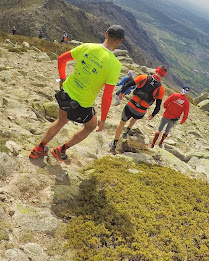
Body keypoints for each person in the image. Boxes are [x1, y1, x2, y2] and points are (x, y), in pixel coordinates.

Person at [29, 25, 124, 161]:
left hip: (66, 92)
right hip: (83, 104)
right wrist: (103, 119)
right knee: (90, 126)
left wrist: (62, 78)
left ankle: (39, 148)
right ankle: (61, 150)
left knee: (61, 121)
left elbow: (61, 59)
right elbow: (107, 96)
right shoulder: (115, 65)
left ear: (106, 34)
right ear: (119, 41)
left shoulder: (87, 47)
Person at [109, 65, 167, 153]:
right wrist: (153, 115)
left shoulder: (143, 77)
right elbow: (158, 106)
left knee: (121, 123)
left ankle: (114, 143)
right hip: (141, 111)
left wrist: (122, 92)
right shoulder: (161, 89)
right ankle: (126, 131)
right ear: (163, 76)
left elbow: (129, 84)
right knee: (135, 117)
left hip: (130, 105)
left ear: (156, 70)